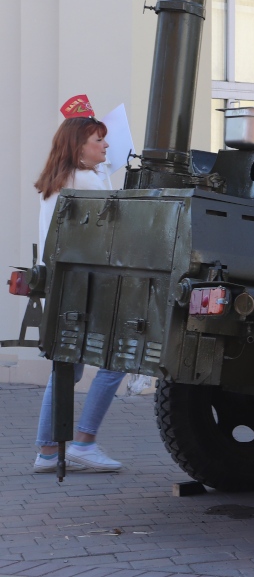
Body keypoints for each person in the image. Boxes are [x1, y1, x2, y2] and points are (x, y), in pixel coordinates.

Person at [32, 110, 126, 473]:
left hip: (62, 282)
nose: (106, 145)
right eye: (98, 140)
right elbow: (116, 210)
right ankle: (83, 442)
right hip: (86, 283)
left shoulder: (58, 179)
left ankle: (48, 451)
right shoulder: (84, 181)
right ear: (79, 148)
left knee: (66, 368)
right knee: (116, 359)